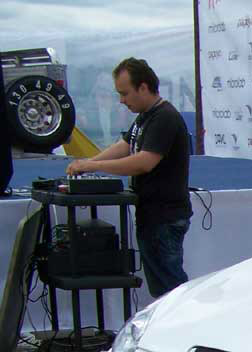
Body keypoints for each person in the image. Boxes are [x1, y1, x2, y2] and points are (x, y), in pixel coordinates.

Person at [67, 58, 192, 297]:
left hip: (164, 217)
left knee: (171, 291)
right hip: (153, 215)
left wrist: (94, 165)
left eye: (124, 93)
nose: (121, 100)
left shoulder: (164, 117)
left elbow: (144, 162)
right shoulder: (146, 116)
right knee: (163, 288)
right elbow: (125, 145)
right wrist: (89, 165)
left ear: (143, 87)